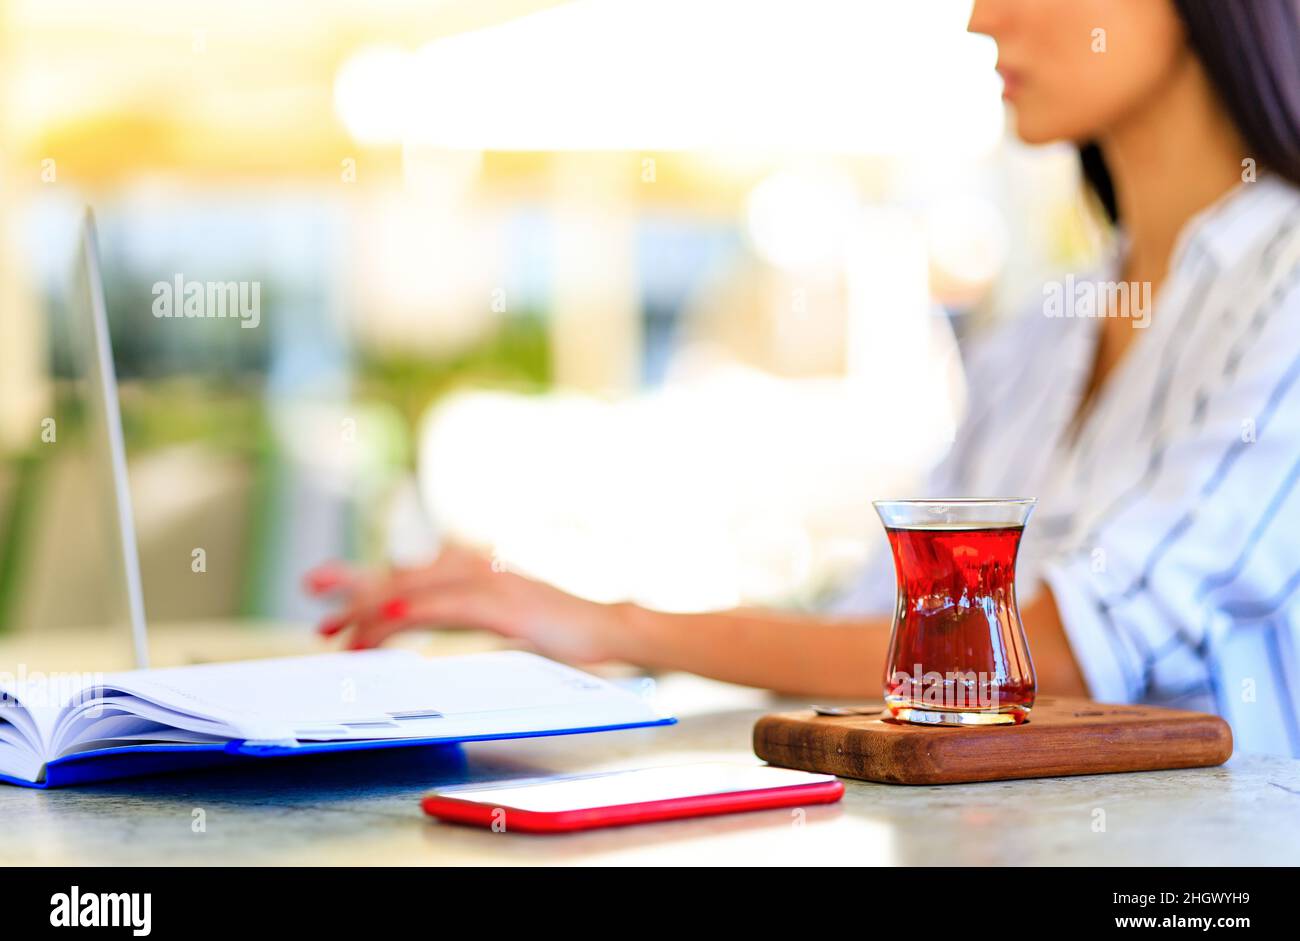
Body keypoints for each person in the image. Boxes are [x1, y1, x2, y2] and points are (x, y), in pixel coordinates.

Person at [306, 0, 1300, 756]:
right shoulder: (1044, 336)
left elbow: (1065, 650)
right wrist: (574, 626)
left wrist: (613, 624)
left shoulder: (1286, 286)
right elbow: (880, 629)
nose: (980, 18)